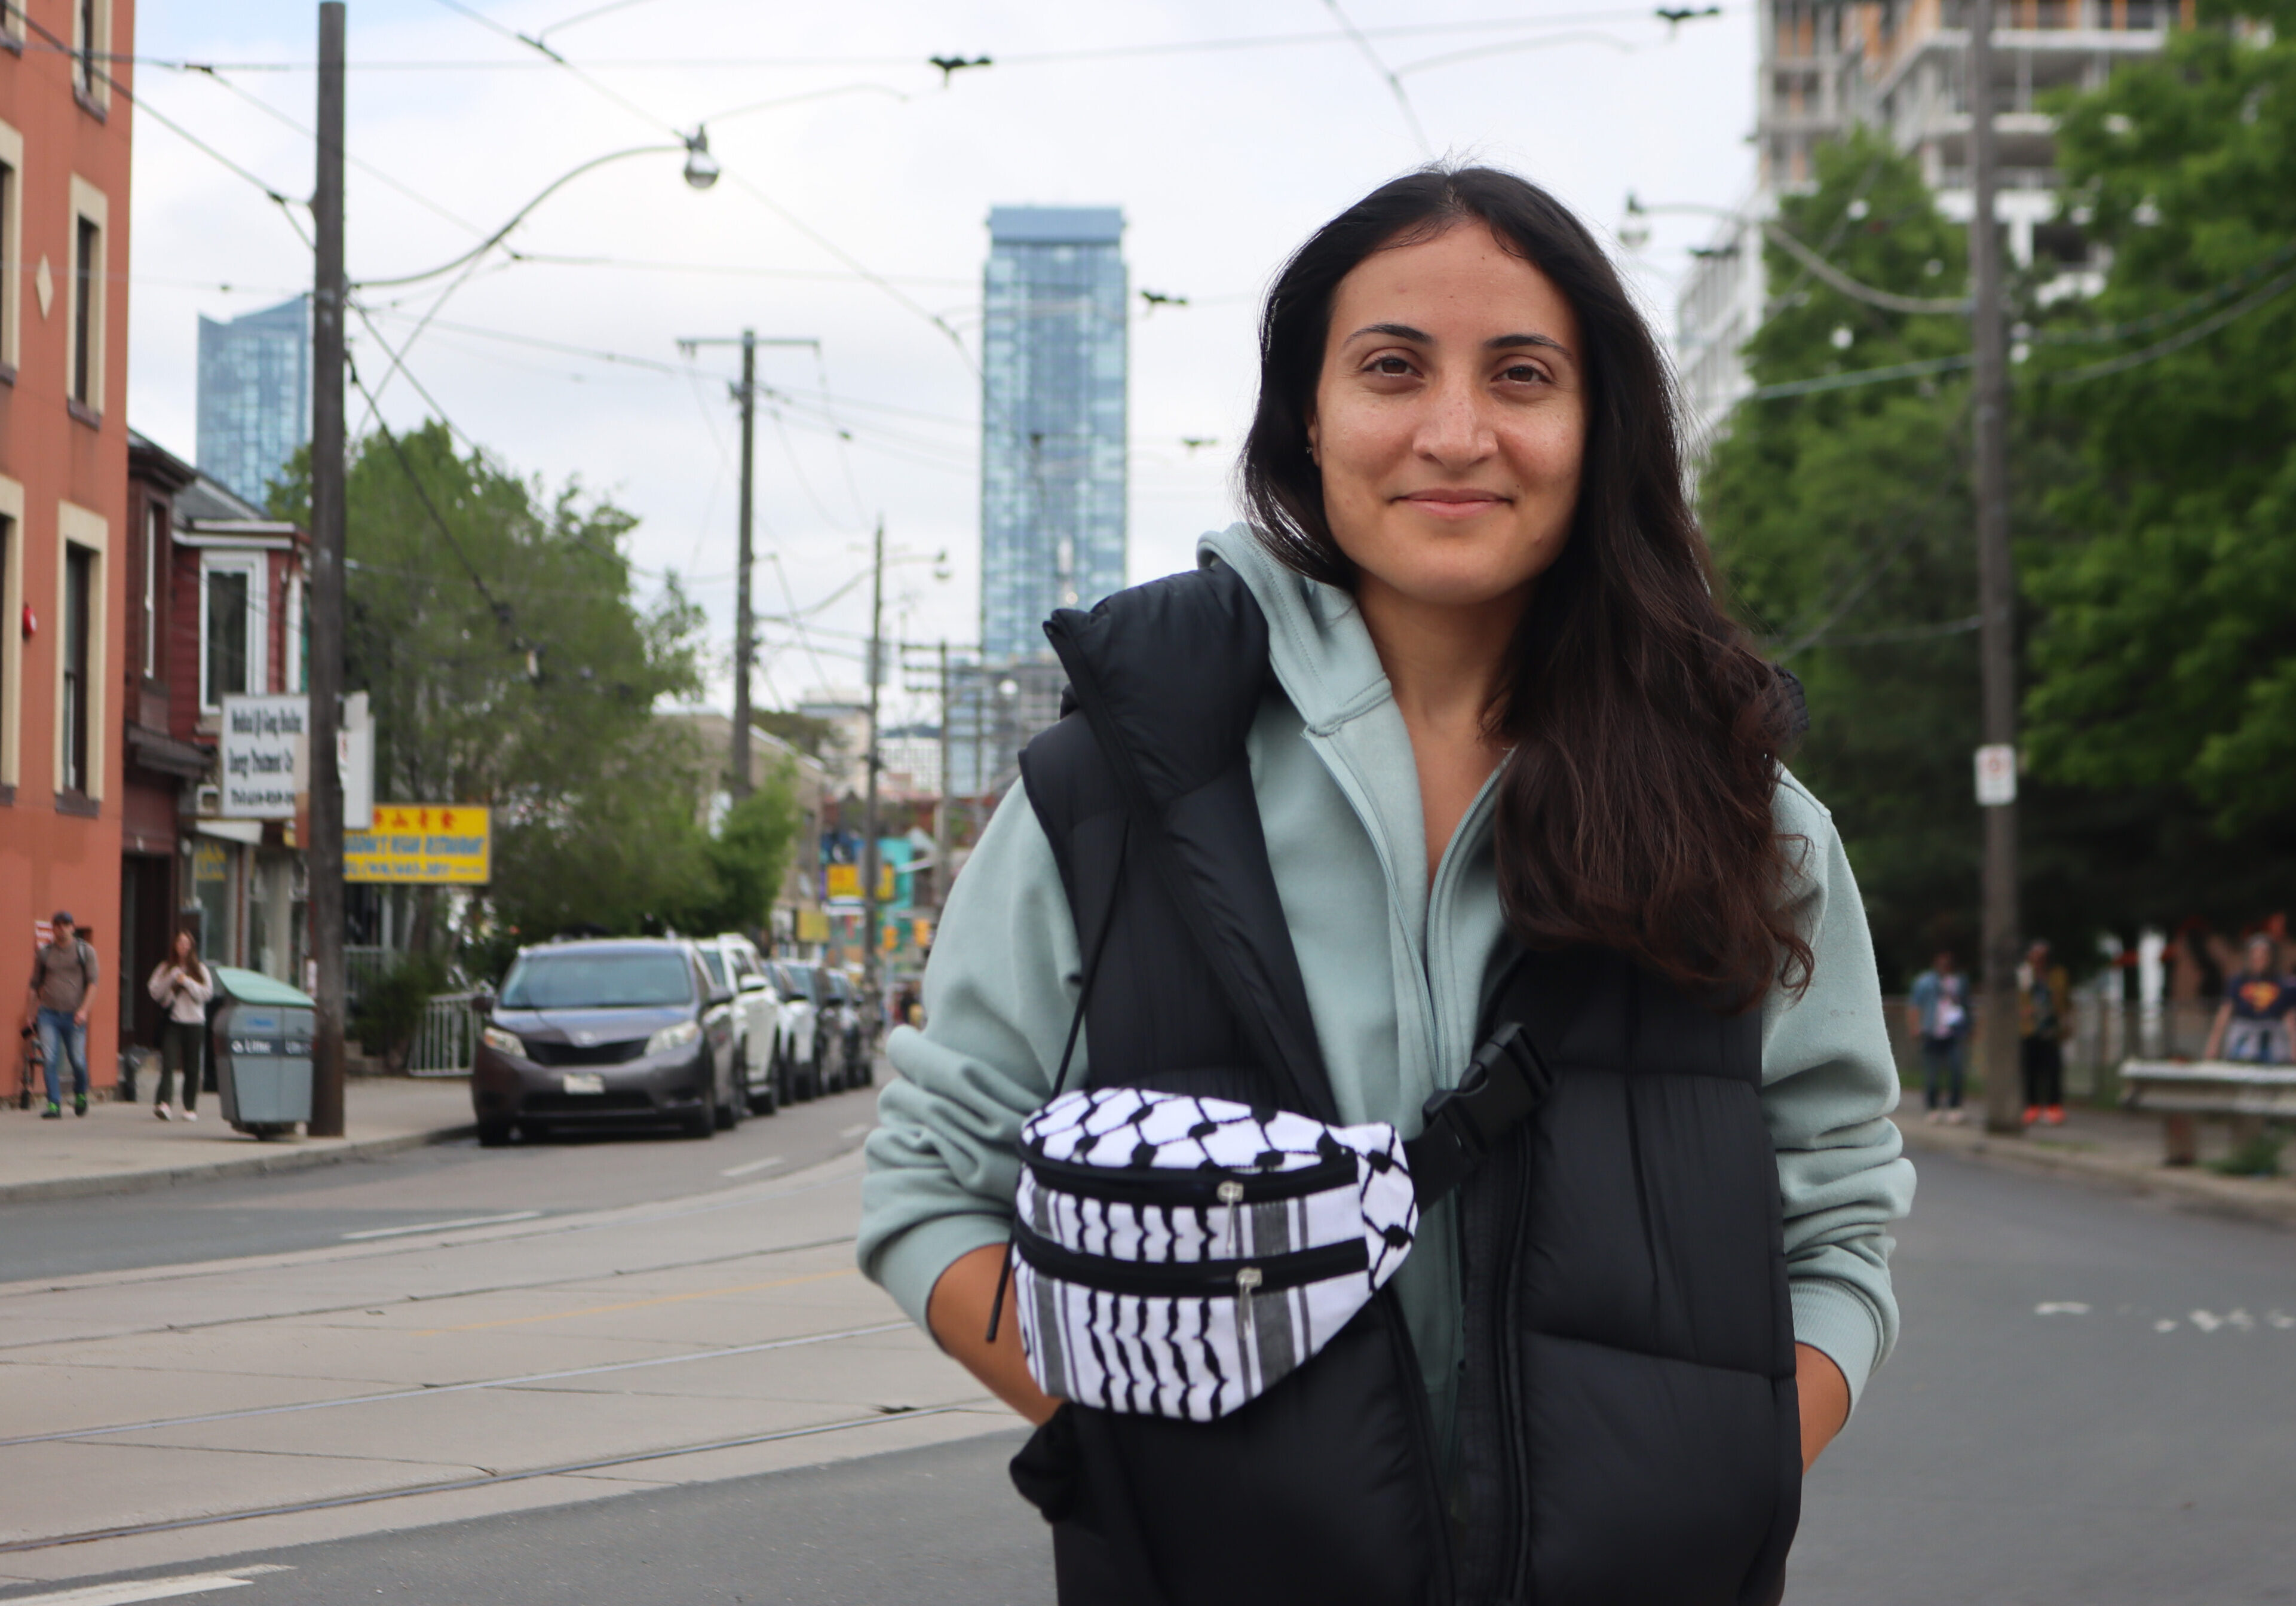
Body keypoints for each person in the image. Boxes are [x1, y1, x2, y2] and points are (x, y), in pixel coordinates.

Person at [857, 166, 1913, 1605]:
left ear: (1597, 423)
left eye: (1523, 374)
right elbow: (933, 1183)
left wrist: (1714, 1481)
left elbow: (1838, 1220)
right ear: (1309, 414)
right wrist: (1147, 1468)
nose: (1457, 432)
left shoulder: (1753, 822)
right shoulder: (1106, 794)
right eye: (1392, 368)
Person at [24, 911, 97, 1119]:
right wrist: (31, 1014)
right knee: (50, 1058)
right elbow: (34, 985)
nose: (62, 928)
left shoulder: (85, 951)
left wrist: (84, 1010)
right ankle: (54, 1104)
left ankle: (81, 1093)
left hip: (74, 1015)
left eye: (66, 924)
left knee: (77, 1060)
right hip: (48, 1014)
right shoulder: (45, 953)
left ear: (73, 927)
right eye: (57, 925)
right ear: (53, 929)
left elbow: (93, 983)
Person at [147, 930, 213, 1121]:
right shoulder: (166, 967)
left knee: (192, 1068)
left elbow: (206, 994)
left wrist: (188, 982)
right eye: (180, 943)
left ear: (192, 947)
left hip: (195, 1023)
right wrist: (172, 977)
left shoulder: (200, 969)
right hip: (173, 1023)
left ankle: (190, 1107)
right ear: (175, 946)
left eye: (187, 943)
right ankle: (165, 1104)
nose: (183, 947)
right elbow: (155, 991)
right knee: (168, 1063)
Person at [2203, 933, 2296, 1064]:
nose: (2259, 960)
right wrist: (2213, 1045)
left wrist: (2294, 1047)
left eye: (2263, 956)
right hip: (2244, 1035)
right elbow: (2224, 1013)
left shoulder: (2282, 984)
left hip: (2272, 1037)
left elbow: (2289, 1018)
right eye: (2255, 956)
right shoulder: (2237, 982)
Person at [1907, 949, 1972, 1124]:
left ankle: (1955, 1107)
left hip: (1954, 1032)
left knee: (1957, 1071)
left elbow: (1966, 1006)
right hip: (1932, 1032)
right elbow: (1914, 1005)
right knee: (1932, 1073)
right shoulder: (1925, 982)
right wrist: (1915, 1027)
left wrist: (1969, 1029)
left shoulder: (1959, 982)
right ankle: (1932, 1107)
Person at [2018, 940, 2071, 1126]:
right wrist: (2024, 1011)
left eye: (2042, 957)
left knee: (2053, 1069)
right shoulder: (2025, 973)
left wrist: (2066, 1023)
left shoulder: (2058, 974)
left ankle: (2054, 1107)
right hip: (2030, 1028)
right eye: (2035, 956)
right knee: (2031, 1069)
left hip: (2051, 1027)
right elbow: (2020, 998)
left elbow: (2064, 1000)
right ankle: (2032, 1106)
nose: (2039, 960)